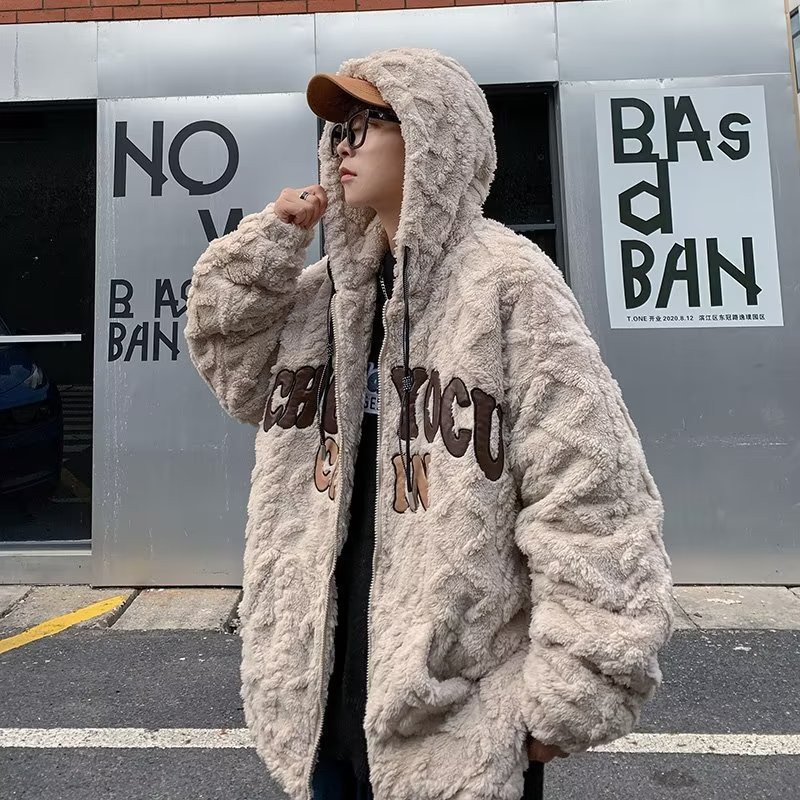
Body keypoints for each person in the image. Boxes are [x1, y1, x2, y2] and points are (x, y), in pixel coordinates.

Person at [184, 48, 675, 800]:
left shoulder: (508, 282)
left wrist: (578, 683)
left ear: (430, 132)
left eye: (366, 125)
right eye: (338, 130)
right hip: (324, 699)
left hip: (462, 717)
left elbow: (591, 488)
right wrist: (271, 241)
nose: (343, 146)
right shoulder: (325, 296)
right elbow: (233, 367)